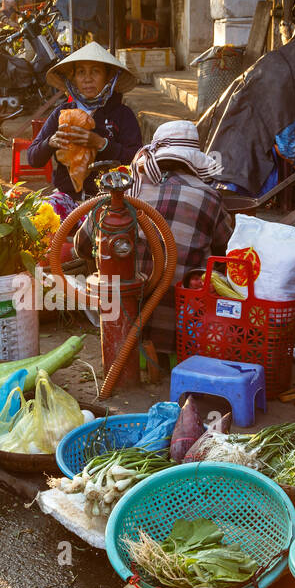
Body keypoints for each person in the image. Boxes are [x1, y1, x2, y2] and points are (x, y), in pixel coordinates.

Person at [72, 120, 234, 356]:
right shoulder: (209, 197)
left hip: (124, 333)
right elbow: (226, 255)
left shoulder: (124, 189)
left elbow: (81, 247)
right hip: (182, 336)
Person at [25, 42, 142, 198]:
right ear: (73, 80)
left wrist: (102, 144)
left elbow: (138, 160)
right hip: (68, 197)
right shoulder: (62, 113)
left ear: (108, 77)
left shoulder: (122, 114)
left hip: (111, 197)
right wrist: (50, 142)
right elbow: (33, 158)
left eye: (95, 72)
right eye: (81, 72)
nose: (88, 79)